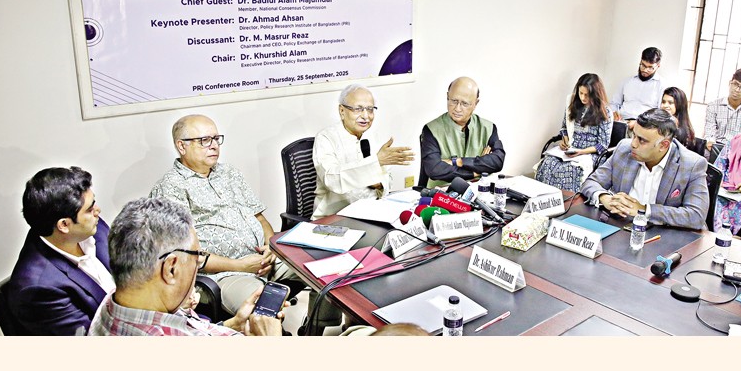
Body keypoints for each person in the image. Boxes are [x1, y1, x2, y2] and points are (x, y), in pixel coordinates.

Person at [150, 114, 292, 316]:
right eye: (204, 140)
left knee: (326, 272)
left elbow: (259, 217)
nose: (214, 146)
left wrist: (271, 247)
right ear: (182, 147)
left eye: (216, 139)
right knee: (264, 308)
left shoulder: (229, 173)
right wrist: (241, 265)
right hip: (224, 275)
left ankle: (320, 325)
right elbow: (184, 255)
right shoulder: (171, 188)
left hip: (265, 260)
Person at [89, 197, 283, 336]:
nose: (198, 264)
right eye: (197, 256)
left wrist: (235, 324)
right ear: (171, 269)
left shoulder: (112, 302)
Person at [6, 166, 115, 335]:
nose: (97, 211)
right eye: (89, 209)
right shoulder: (37, 291)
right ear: (64, 225)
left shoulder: (91, 225)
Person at [580, 108, 709, 230]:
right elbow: (591, 182)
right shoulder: (624, 149)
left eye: (642, 140)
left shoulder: (691, 165)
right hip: (621, 226)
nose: (633, 144)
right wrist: (605, 198)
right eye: (634, 135)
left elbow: (696, 216)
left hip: (664, 235)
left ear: (663, 145)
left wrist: (644, 210)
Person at [312, 84, 414, 219]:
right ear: (342, 111)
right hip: (334, 216)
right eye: (358, 109)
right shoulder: (326, 138)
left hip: (371, 212)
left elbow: (387, 179)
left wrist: (379, 184)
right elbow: (332, 180)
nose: (366, 116)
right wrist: (375, 163)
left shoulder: (373, 137)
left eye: (370, 109)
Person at [420, 77, 505, 188]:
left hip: (479, 190)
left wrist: (457, 161)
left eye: (465, 104)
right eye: (454, 101)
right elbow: (434, 169)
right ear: (447, 96)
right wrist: (475, 172)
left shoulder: (488, 128)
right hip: (443, 193)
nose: (457, 109)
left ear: (475, 103)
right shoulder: (431, 129)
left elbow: (497, 161)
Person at [535, 73, 612, 193]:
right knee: (548, 162)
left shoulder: (605, 112)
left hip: (590, 153)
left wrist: (581, 152)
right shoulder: (573, 105)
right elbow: (564, 128)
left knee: (570, 169)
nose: (583, 98)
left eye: (587, 95)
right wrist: (564, 141)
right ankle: (545, 198)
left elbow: (603, 145)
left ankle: (567, 202)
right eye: (580, 93)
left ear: (595, 95)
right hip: (571, 149)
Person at [703, 68, 741, 156]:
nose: (737, 89)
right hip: (715, 147)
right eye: (735, 84)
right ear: (730, 83)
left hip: (740, 151)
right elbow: (710, 131)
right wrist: (711, 142)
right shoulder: (713, 105)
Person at [610, 47, 664, 128]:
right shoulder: (627, 81)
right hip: (621, 122)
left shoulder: (661, 85)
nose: (645, 70)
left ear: (658, 66)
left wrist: (638, 123)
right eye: (643, 65)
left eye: (650, 67)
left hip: (645, 126)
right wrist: (614, 113)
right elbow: (614, 103)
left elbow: (660, 114)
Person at [660, 87, 698, 151]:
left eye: (670, 103)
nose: (665, 105)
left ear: (679, 105)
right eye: (663, 102)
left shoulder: (681, 131)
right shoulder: (661, 122)